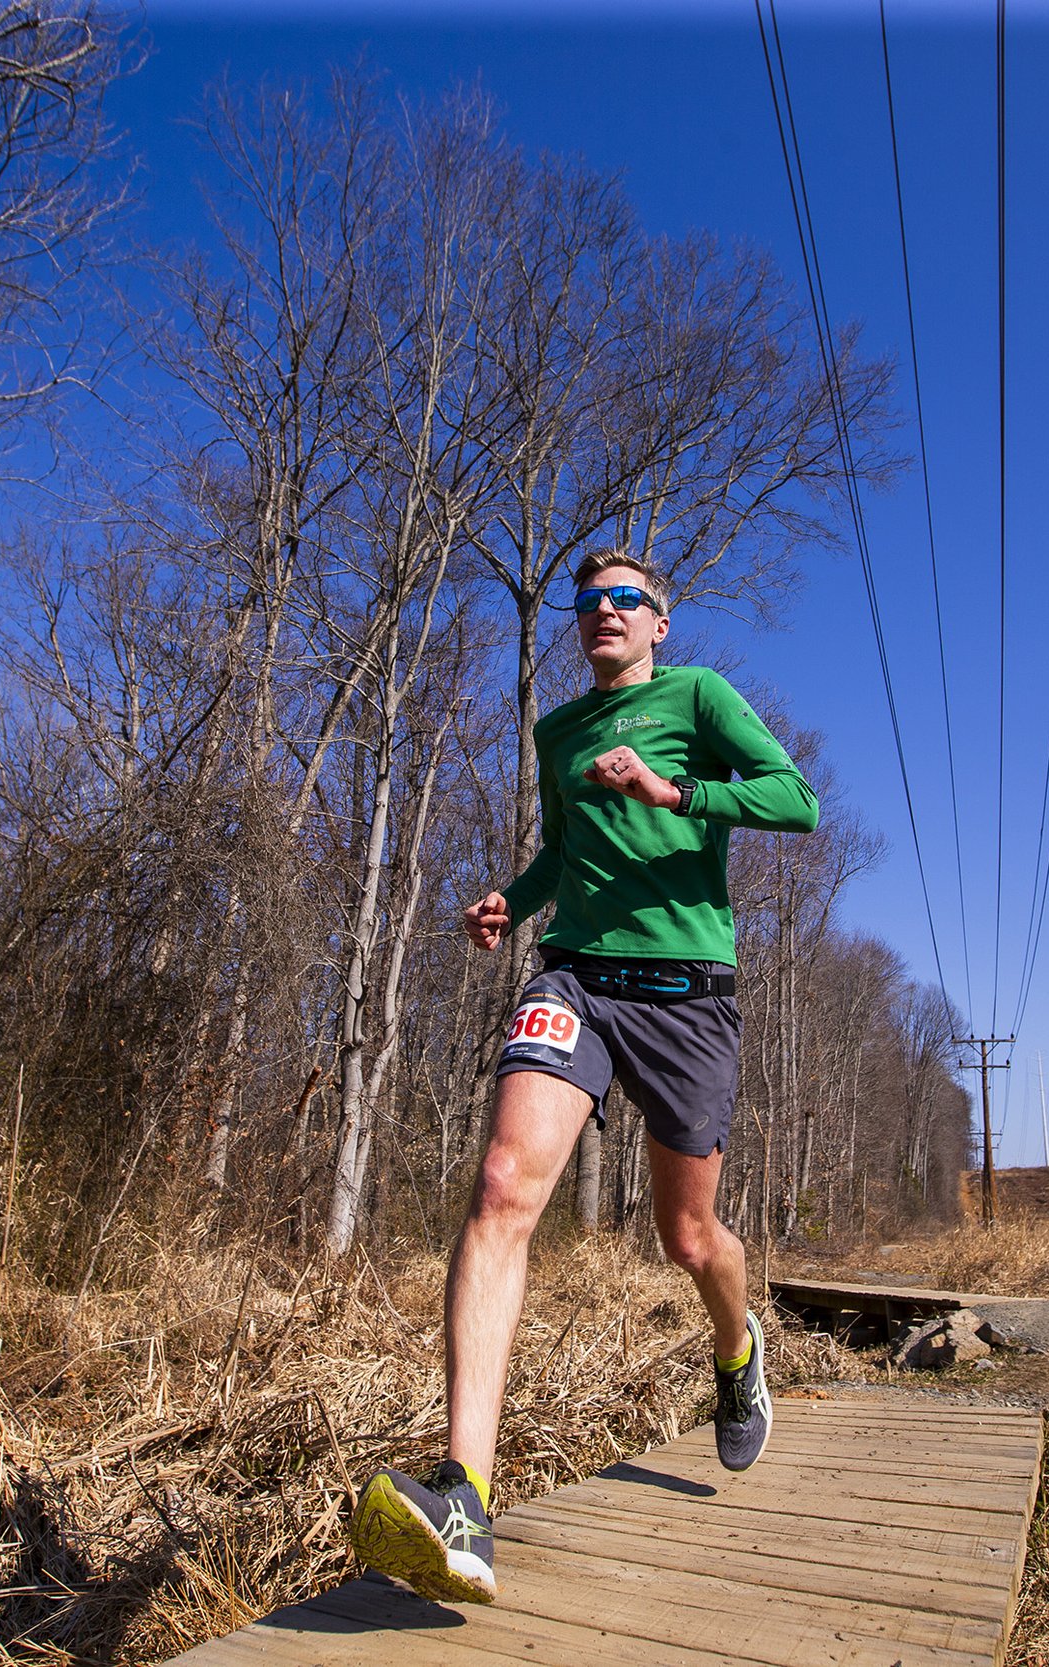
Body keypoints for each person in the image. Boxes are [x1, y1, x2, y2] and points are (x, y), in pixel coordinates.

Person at [347, 552, 819, 1605]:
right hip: (578, 977)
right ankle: (465, 1492)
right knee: (504, 1183)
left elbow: (798, 801)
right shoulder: (557, 730)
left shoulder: (696, 696)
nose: (601, 613)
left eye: (623, 601)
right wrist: (510, 902)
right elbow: (563, 855)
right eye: (587, 602)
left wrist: (672, 787)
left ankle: (736, 1349)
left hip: (689, 992)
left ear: (658, 622)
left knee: (688, 1238)